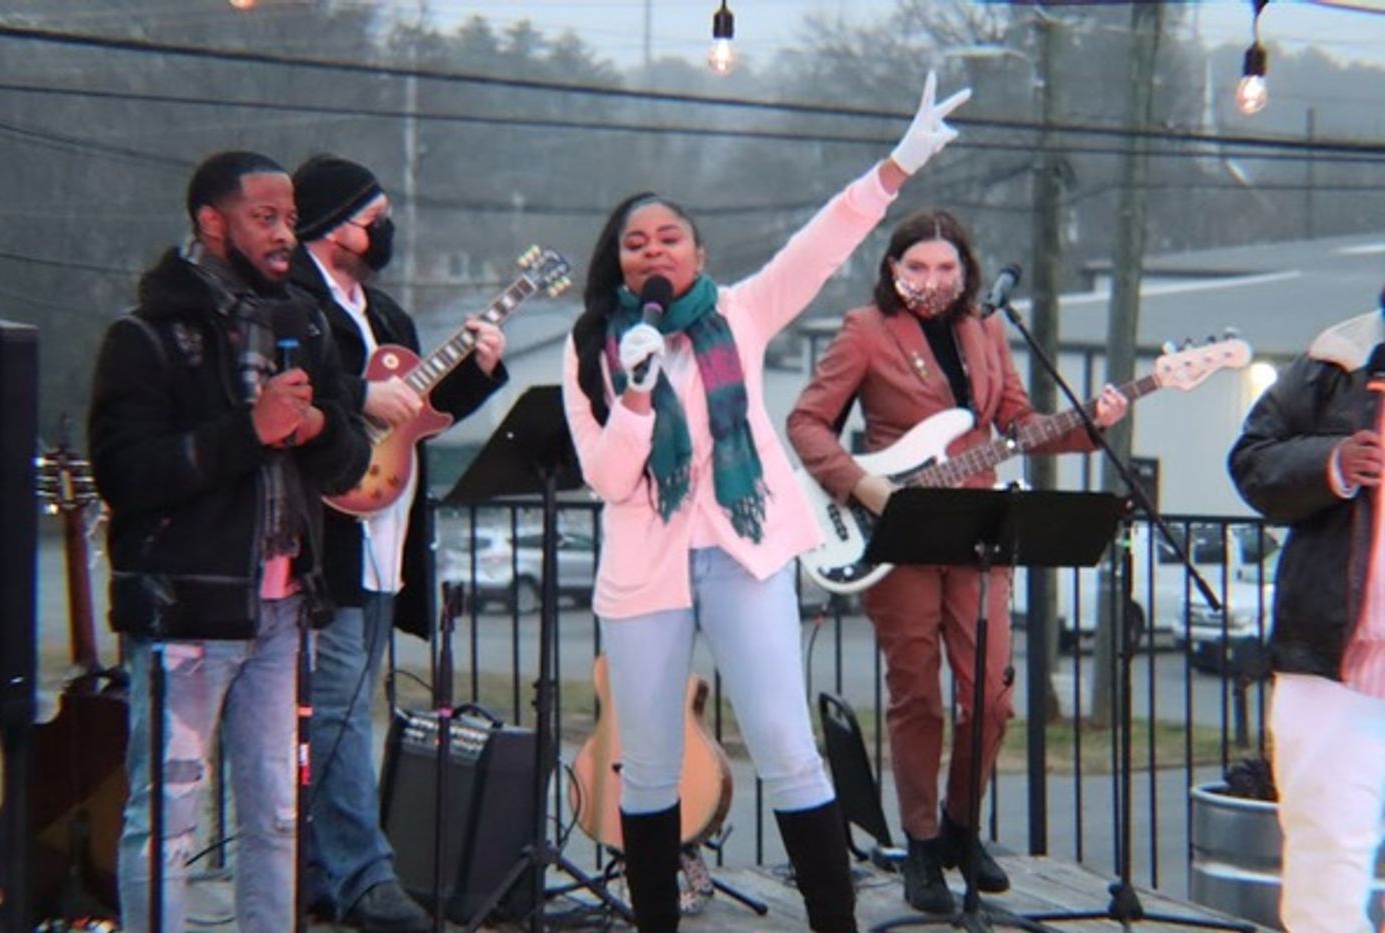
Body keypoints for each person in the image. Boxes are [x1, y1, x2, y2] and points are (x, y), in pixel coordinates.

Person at [562, 70, 971, 933]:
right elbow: (605, 476)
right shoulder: (593, 348)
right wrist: (635, 396)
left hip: (746, 553)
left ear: (698, 256)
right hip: (646, 571)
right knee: (647, 767)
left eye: (670, 236)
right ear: (619, 260)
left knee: (787, 745)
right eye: (636, 242)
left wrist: (897, 166)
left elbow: (820, 246)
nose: (654, 250)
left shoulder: (741, 314)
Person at [786, 209, 1128, 913]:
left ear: (965, 272)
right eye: (918, 268)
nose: (933, 281)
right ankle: (918, 846)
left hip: (979, 527)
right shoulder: (864, 331)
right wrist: (862, 485)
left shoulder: (988, 329)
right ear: (893, 269)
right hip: (900, 531)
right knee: (917, 693)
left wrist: (1090, 422)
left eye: (946, 269)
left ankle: (959, 826)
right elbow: (806, 422)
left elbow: (1019, 424)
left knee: (992, 695)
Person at [88, 150, 370, 931]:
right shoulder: (145, 336)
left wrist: (316, 428)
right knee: (169, 818)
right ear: (212, 224)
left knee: (278, 816)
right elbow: (128, 474)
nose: (285, 234)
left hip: (282, 610)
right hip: (187, 614)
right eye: (264, 218)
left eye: (289, 218)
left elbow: (350, 455)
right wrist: (249, 431)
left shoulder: (301, 321)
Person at [288, 154, 508, 932]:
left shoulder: (385, 315)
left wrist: (480, 371)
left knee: (346, 705)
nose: (385, 226)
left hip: (388, 536)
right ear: (328, 223)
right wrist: (356, 396)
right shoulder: (293, 302)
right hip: (328, 536)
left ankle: (317, 868)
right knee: (338, 713)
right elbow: (299, 395)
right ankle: (364, 877)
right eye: (371, 213)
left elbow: (420, 409)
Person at [1227, 289, 1385, 932]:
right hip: (1333, 662)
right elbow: (1252, 460)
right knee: (1327, 865)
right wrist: (1333, 463)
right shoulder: (1336, 360)